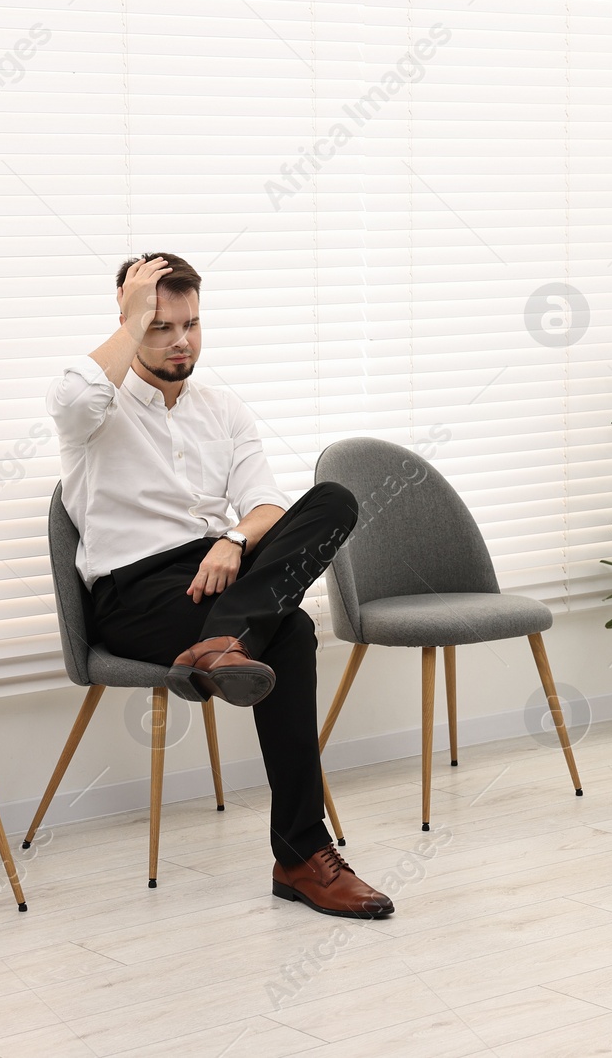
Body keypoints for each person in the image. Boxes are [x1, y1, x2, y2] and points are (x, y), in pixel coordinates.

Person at [45, 252, 394, 919]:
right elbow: (72, 394)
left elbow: (264, 506)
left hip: (220, 571)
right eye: (160, 325)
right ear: (128, 321)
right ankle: (301, 856)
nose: (180, 339)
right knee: (290, 631)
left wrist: (234, 539)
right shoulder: (94, 412)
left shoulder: (224, 408)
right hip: (135, 592)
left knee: (333, 501)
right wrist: (133, 313)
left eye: (192, 323)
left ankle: (218, 644)